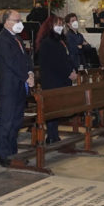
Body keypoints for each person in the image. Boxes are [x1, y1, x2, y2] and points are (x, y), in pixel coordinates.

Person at [0, 9, 34, 166]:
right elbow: (11, 62)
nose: (20, 23)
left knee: (17, 122)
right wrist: (26, 76)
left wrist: (30, 72)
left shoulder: (17, 37)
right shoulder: (2, 39)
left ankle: (12, 152)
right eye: (17, 21)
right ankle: (3, 155)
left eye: (20, 20)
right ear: (7, 22)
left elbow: (26, 59)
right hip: (9, 86)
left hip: (20, 85)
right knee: (7, 121)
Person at [38, 15, 77, 143]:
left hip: (61, 78)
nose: (60, 27)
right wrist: (68, 73)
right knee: (52, 108)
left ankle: (54, 134)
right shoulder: (47, 42)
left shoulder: (61, 40)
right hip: (52, 79)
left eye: (61, 25)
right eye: (57, 25)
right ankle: (51, 135)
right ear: (50, 26)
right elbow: (54, 62)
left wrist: (72, 70)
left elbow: (66, 58)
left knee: (58, 108)